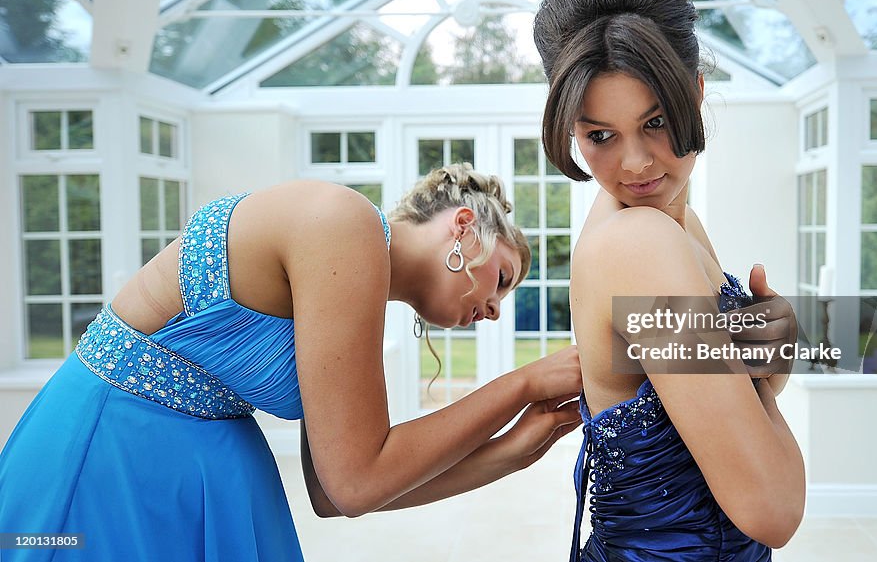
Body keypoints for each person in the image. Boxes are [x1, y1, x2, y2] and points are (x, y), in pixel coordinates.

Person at [0, 164, 582, 561]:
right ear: (463, 227)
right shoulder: (345, 224)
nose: (493, 311)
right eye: (501, 280)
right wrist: (522, 383)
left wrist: (516, 449)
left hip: (193, 463)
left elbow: (333, 494)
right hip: (117, 451)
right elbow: (357, 483)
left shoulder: (354, 290)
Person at [533, 0, 806, 561]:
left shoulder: (672, 223)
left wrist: (773, 352)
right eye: (599, 136)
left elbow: (716, 412)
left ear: (697, 93)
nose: (633, 163)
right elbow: (773, 509)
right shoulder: (639, 242)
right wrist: (758, 380)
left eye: (655, 122)